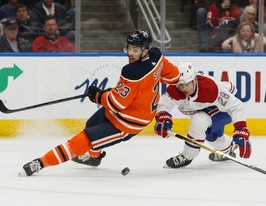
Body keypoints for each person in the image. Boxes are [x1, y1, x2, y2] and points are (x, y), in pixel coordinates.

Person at [21, 30, 180, 176]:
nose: (131, 54)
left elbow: (116, 104)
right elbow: (174, 77)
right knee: (90, 125)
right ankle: (94, 158)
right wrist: (147, 82)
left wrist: (98, 96)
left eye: (135, 50)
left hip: (128, 123)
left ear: (145, 50)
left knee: (83, 140)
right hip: (131, 110)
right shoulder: (156, 56)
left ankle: (40, 163)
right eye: (129, 48)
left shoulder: (131, 72)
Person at [154, 62, 252, 168]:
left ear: (194, 80)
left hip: (226, 107)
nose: (184, 88)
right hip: (208, 108)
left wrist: (241, 131)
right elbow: (164, 103)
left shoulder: (209, 88)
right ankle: (228, 150)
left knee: (199, 121)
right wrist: (162, 118)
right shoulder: (175, 88)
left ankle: (187, 156)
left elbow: (236, 106)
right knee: (212, 136)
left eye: (187, 84)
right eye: (180, 85)